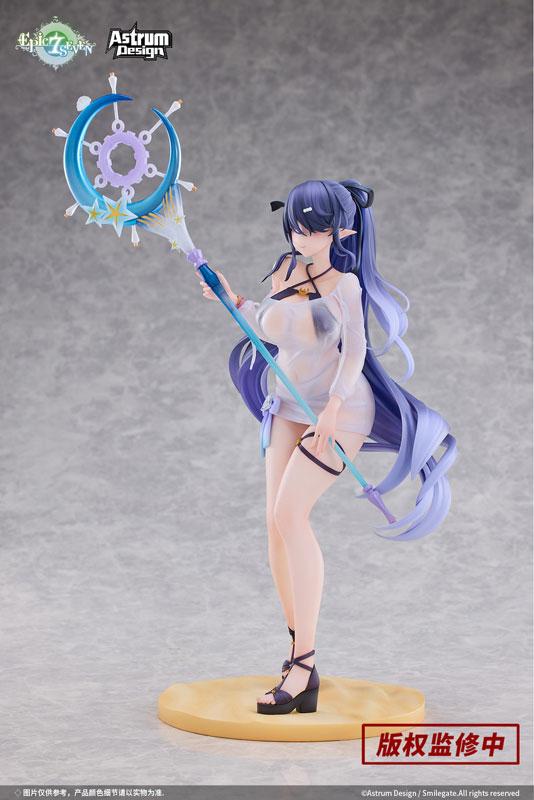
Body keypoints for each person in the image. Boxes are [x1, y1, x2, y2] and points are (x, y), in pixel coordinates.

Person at [197, 179, 456, 715]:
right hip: (289, 406)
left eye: (313, 226)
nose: (301, 234)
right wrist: (233, 299)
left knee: (291, 517)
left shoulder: (346, 287)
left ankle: (304, 663)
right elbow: (274, 330)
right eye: (294, 223)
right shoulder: (284, 270)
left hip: (341, 412)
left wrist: (334, 407)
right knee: (273, 527)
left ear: (342, 232)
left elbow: (354, 352)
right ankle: (300, 660)